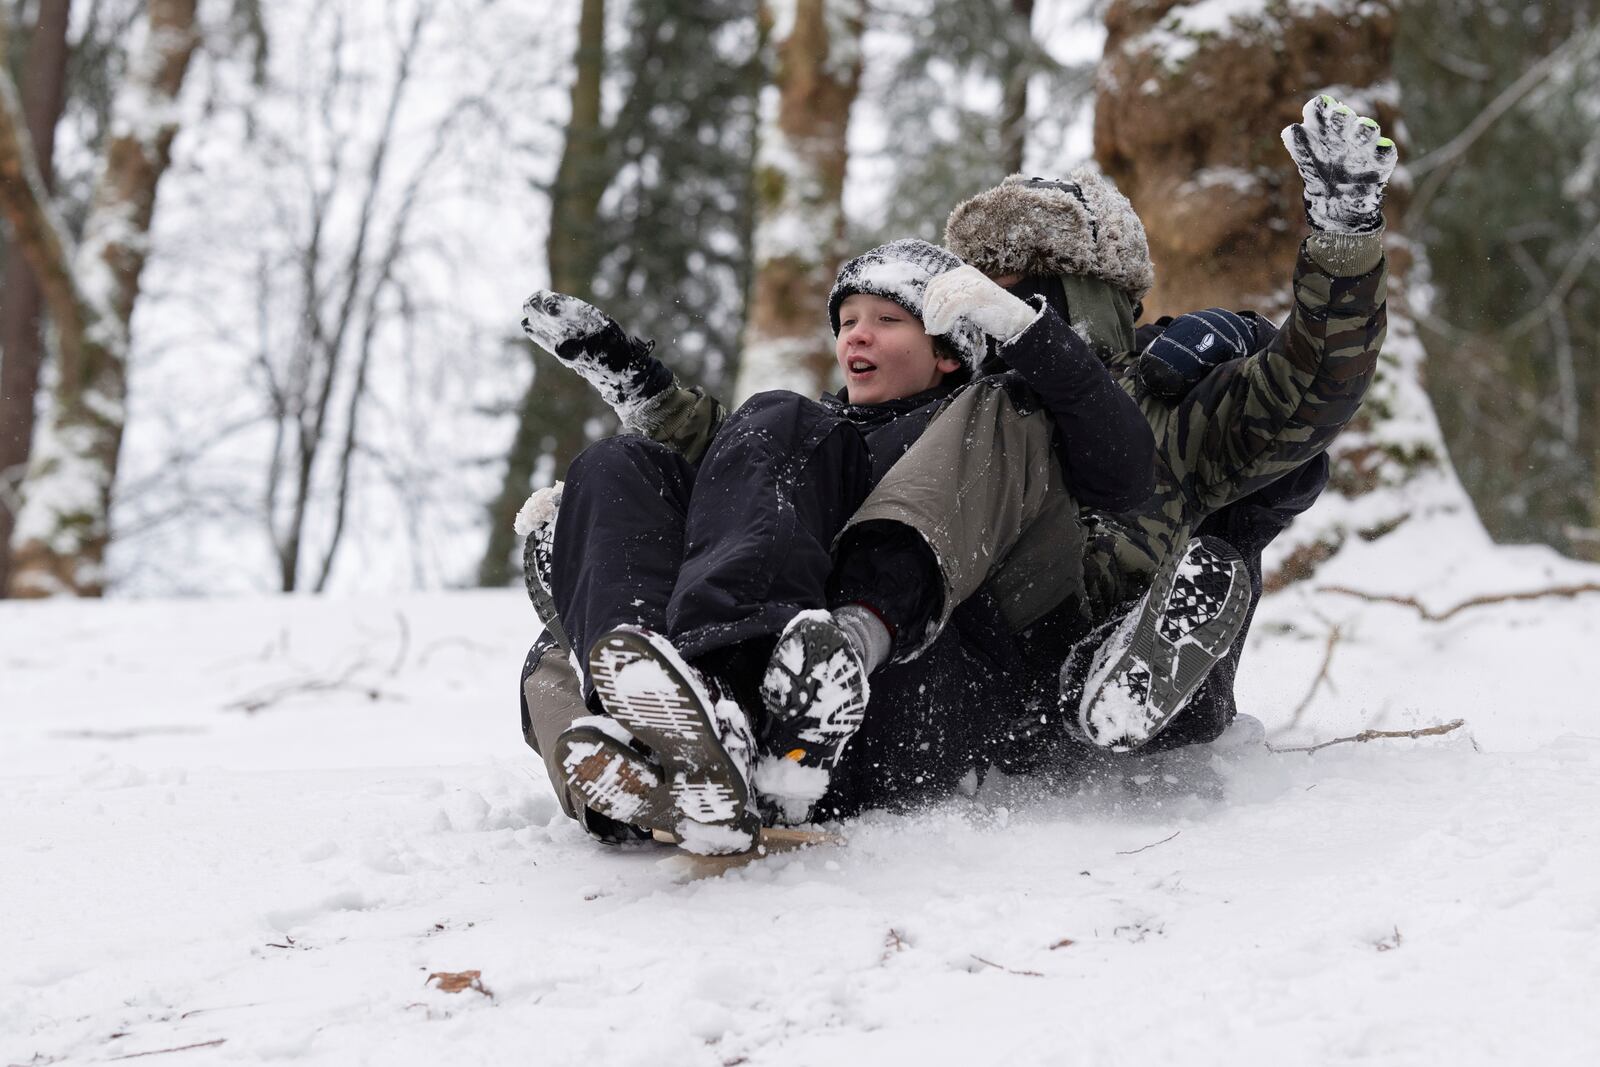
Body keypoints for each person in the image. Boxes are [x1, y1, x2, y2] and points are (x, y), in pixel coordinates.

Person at [516, 238, 1155, 853]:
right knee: (612, 474)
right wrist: (633, 389)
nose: (857, 333)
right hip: (767, 704)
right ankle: (656, 748)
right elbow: (722, 457)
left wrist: (1029, 338)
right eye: (847, 320)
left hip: (917, 693)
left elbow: (1125, 472)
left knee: (787, 421)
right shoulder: (811, 441)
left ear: (948, 353)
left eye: (887, 319)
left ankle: (796, 682)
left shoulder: (995, 415)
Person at [822, 93, 1395, 767]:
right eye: (985, 294)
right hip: (996, 656)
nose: (998, 315)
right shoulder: (960, 407)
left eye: (1022, 292)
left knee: (1199, 561)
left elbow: (1314, 385)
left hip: (1127, 625)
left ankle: (1140, 662)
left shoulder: (1169, 393)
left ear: (1087, 292)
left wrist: (1344, 237)